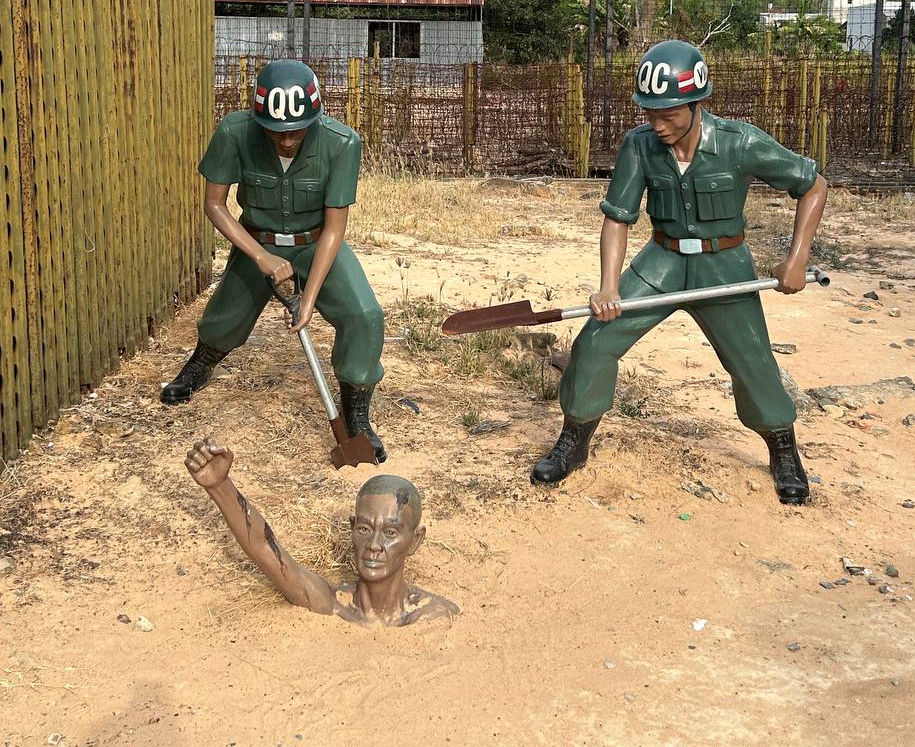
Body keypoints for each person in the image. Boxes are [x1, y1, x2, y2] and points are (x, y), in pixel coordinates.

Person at [531, 39, 828, 505]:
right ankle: (575, 440)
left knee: (752, 361)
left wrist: (797, 258)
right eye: (651, 113)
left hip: (724, 268)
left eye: (668, 114)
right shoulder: (640, 146)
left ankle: (783, 447)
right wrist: (609, 287)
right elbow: (618, 217)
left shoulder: (740, 142)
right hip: (662, 262)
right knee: (594, 341)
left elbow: (813, 185)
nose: (658, 124)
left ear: (696, 103)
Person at [161, 59, 387, 462]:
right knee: (224, 317)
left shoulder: (342, 143)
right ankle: (199, 365)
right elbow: (214, 205)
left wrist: (308, 298)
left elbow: (335, 228)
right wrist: (261, 257)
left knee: (364, 314)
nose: (286, 140)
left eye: (297, 130)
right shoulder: (234, 132)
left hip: (316, 244)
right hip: (257, 241)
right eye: (277, 131)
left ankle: (357, 411)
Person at [185, 438, 459, 626]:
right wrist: (220, 486)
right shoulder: (330, 605)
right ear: (352, 529)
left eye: (390, 533)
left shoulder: (435, 616)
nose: (374, 544)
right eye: (364, 528)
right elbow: (264, 547)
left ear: (415, 540)